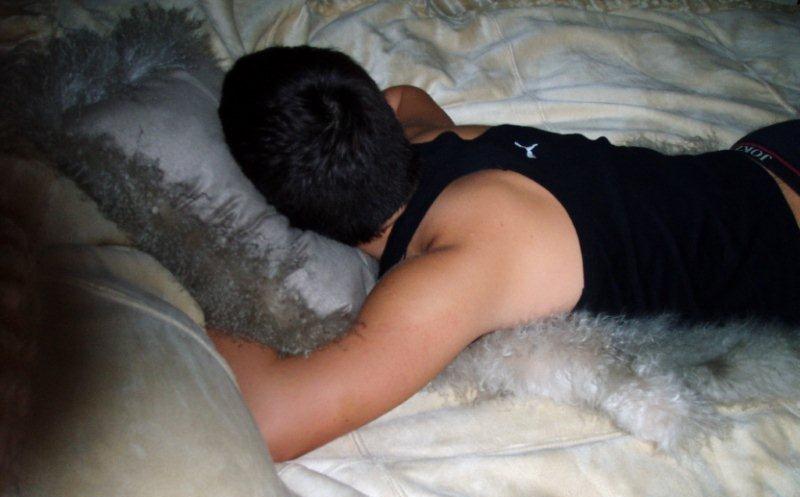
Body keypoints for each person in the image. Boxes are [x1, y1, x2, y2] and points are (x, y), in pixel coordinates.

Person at [212, 45, 800, 461]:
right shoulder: (439, 139)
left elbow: (272, 419)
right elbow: (405, 97)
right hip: (768, 157)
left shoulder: (457, 272)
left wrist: (202, 262)